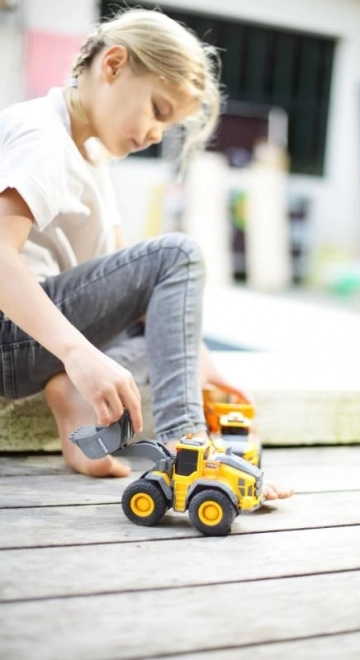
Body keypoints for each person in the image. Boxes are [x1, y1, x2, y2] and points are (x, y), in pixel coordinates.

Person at [0, 8, 293, 500]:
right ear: (112, 65)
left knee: (169, 324)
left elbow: (141, 289)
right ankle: (186, 441)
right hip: (11, 333)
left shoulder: (90, 155)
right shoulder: (42, 137)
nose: (158, 134)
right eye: (158, 110)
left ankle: (71, 396)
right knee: (179, 254)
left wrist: (205, 365)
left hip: (29, 342)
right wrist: (77, 354)